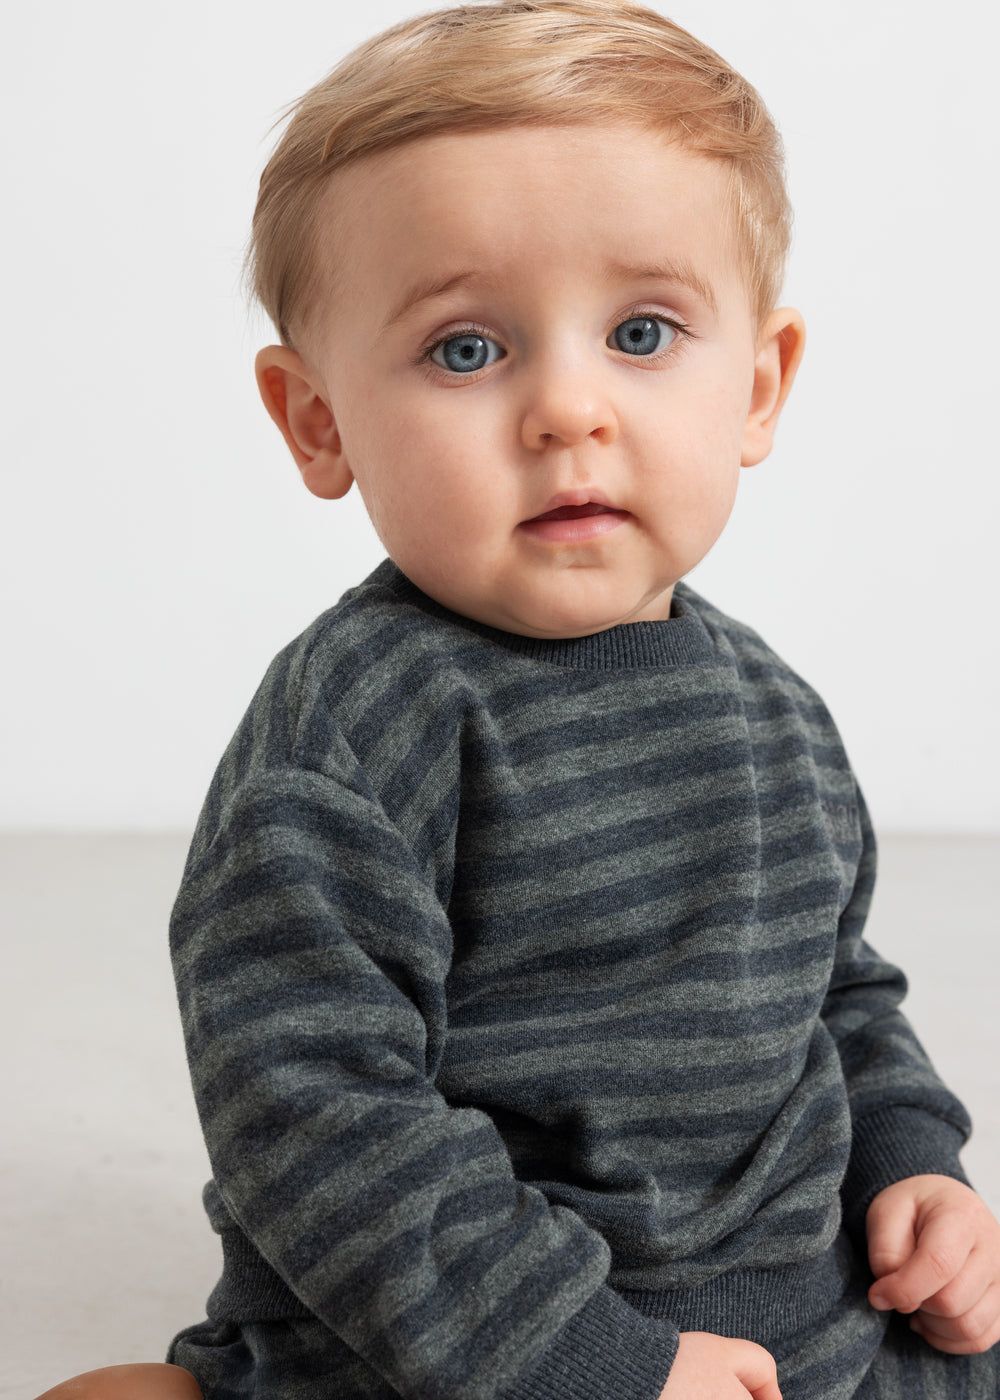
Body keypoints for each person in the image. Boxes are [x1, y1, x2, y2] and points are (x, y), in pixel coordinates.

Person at [36, 1, 1000, 1397]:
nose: (568, 410)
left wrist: (919, 1167)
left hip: (809, 1324)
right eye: (467, 350)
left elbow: (836, 993)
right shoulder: (355, 734)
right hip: (467, 1344)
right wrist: (591, 1362)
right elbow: (309, 1108)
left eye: (643, 331)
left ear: (759, 387)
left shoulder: (772, 709)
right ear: (319, 421)